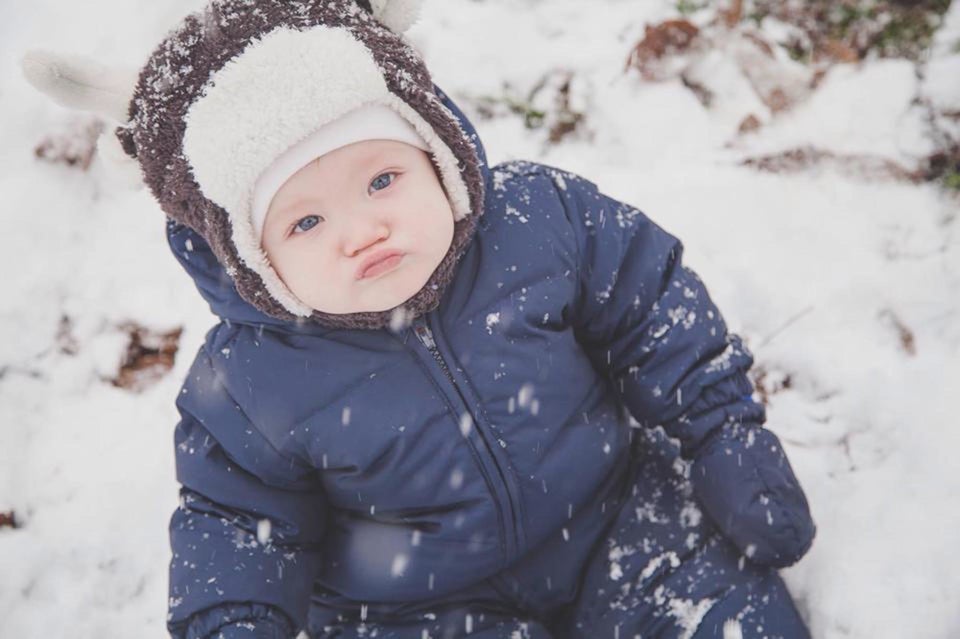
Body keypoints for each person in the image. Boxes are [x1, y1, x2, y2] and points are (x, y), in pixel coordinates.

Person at [22, 1, 816, 637]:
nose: (362, 229)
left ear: (435, 149)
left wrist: (722, 430)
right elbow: (237, 521)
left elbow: (653, 310)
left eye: (382, 179)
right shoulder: (250, 378)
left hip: (618, 520)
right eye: (304, 223)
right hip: (416, 607)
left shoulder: (541, 223)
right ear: (248, 257)